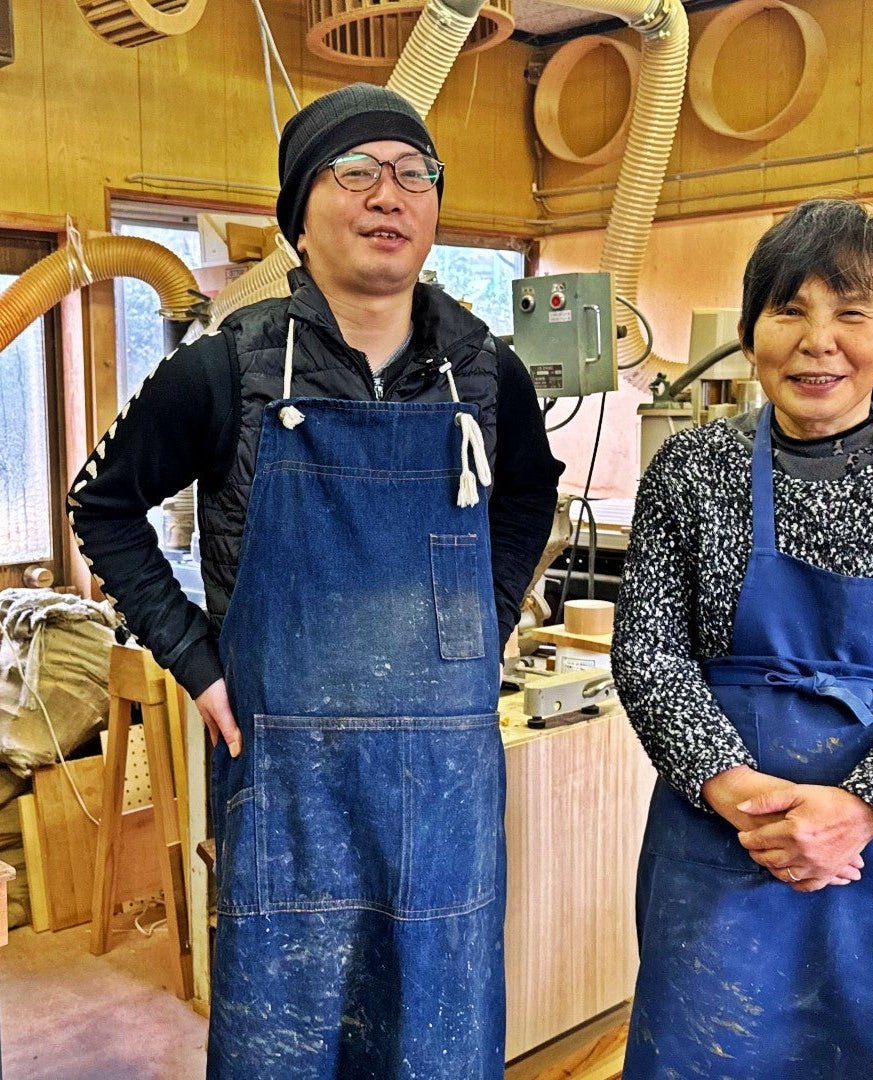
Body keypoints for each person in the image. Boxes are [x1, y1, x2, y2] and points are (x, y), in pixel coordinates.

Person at [69, 82, 563, 1079]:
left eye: (414, 174)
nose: (389, 195)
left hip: (447, 781)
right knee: (286, 1039)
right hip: (287, 776)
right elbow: (102, 506)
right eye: (356, 171)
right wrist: (195, 661)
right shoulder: (226, 369)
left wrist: (488, 616)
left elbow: (527, 497)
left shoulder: (487, 373)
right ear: (300, 213)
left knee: (436, 1029)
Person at [611, 198, 873, 1078]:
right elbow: (649, 655)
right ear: (750, 332)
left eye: (852, 313)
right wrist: (737, 794)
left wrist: (863, 810)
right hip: (731, 847)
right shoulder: (691, 472)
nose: (818, 342)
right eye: (790, 311)